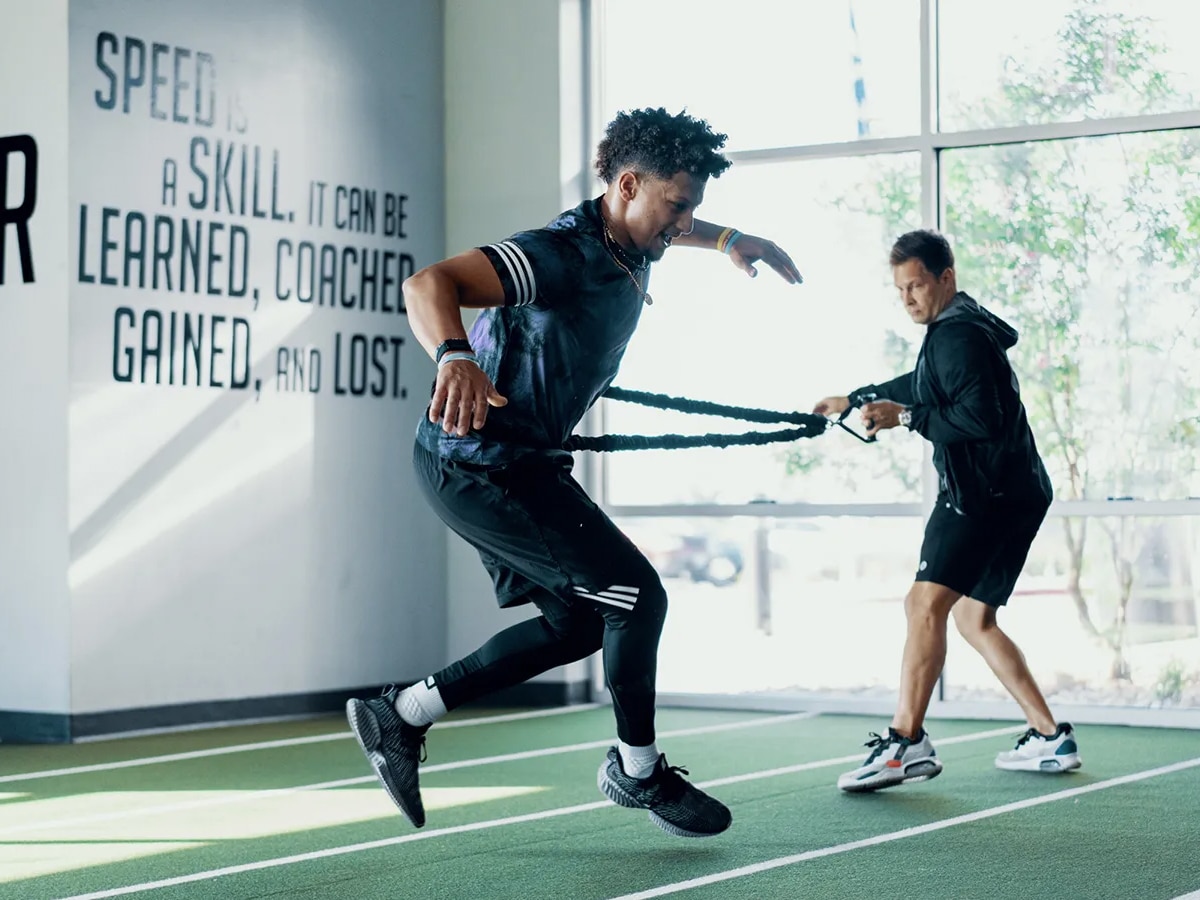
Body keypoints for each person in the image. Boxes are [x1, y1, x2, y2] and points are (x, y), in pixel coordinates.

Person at [346, 107, 803, 836]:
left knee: (577, 626)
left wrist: (726, 240)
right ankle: (638, 771)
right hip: (477, 464)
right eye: (678, 205)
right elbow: (427, 284)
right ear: (627, 185)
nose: (682, 221)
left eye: (695, 208)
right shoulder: (560, 254)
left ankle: (402, 713)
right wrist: (455, 356)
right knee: (634, 599)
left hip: (523, 466)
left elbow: (676, 230)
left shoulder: (637, 240)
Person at [812, 229, 1082, 793]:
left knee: (924, 603)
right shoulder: (962, 327)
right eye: (900, 290)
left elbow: (977, 418)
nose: (908, 298)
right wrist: (858, 399)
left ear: (946, 278)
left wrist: (904, 418)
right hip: (1019, 492)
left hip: (982, 495)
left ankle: (904, 743)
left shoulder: (955, 335)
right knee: (971, 617)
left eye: (916, 285)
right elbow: (927, 384)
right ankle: (1050, 737)